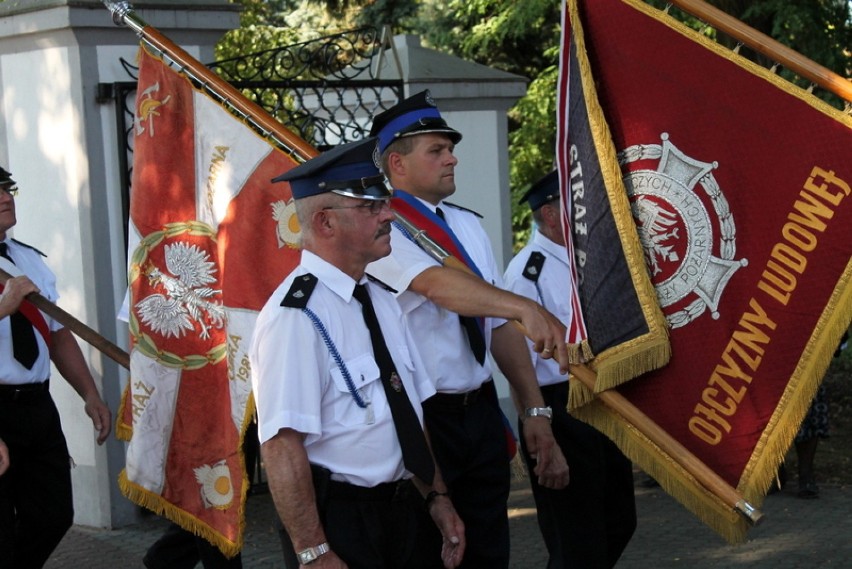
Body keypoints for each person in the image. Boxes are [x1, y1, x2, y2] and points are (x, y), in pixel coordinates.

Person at [366, 90, 570, 568]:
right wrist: (526, 307)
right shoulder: (383, 229)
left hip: (477, 414)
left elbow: (497, 326)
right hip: (427, 419)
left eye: (449, 148)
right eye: (436, 150)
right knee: (433, 551)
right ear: (396, 163)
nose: (452, 158)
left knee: (489, 551)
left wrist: (534, 411)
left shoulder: (467, 225)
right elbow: (440, 287)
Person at [250, 138, 466, 569]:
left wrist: (436, 497)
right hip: (341, 522)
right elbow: (281, 445)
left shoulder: (382, 298)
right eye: (371, 208)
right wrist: (313, 552)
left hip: (404, 510)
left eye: (384, 203)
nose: (389, 214)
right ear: (326, 223)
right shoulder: (295, 316)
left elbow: (408, 412)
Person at [503, 170, 636, 568]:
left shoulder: (588, 260)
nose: (586, 211)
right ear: (549, 213)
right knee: (576, 538)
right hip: (560, 407)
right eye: (574, 205)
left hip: (603, 399)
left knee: (619, 521)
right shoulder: (526, 274)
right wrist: (538, 421)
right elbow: (518, 360)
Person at [0, 165, 112, 567]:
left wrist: (90, 394)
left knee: (53, 515)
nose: (5, 196)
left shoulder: (29, 260)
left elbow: (59, 334)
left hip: (36, 406)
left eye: (6, 187)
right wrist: (3, 307)